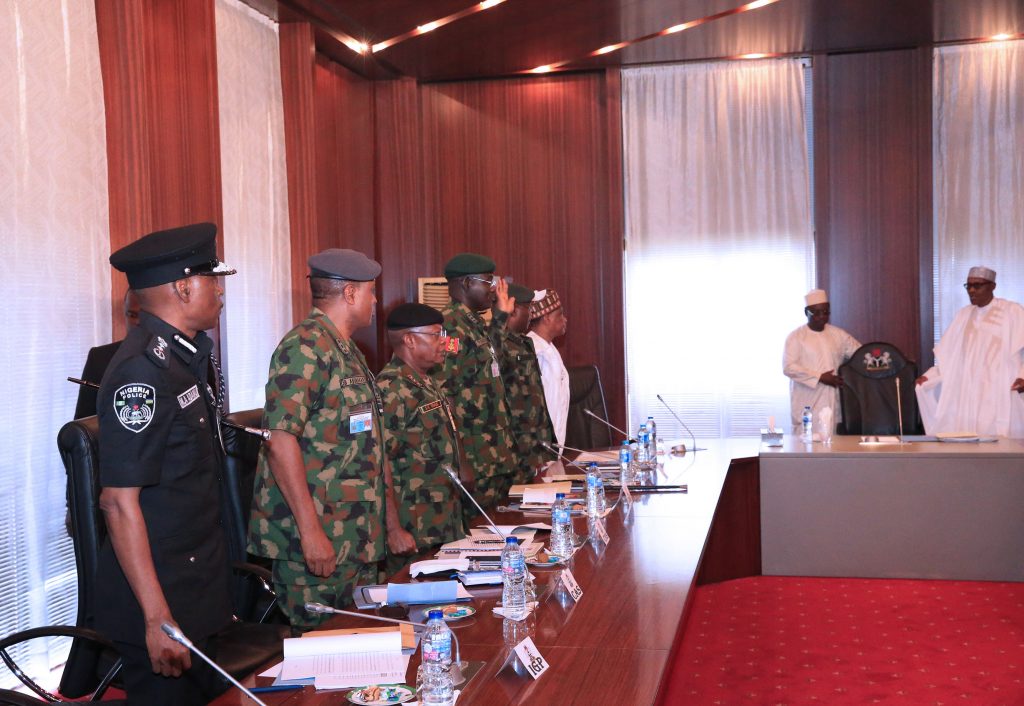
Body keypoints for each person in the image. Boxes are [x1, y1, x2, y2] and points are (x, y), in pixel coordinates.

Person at [95, 223, 236, 705]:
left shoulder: (184, 359)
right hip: (162, 601)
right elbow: (117, 503)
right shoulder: (142, 372)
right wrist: (158, 618)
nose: (220, 292)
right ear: (183, 287)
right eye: (212, 280)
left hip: (195, 588)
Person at [248, 249, 414, 629]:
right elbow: (279, 440)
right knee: (322, 651)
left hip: (356, 537)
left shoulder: (346, 350)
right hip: (320, 540)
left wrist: (388, 525)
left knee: (361, 643)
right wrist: (310, 533)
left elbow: (367, 443)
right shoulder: (304, 348)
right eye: (371, 292)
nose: (376, 301)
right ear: (350, 294)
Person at [377, 303, 467, 576]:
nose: (444, 342)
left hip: (442, 520)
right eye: (436, 335)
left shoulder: (427, 380)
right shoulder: (391, 389)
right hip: (414, 527)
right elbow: (379, 463)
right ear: (409, 340)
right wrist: (394, 529)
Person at [438, 253, 517, 513]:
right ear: (465, 283)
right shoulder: (450, 325)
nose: (493, 289)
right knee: (478, 530)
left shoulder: (473, 322)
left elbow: (498, 366)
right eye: (487, 282)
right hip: (474, 458)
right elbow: (444, 395)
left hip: (493, 456)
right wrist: (461, 461)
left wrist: (500, 318)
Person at [915, 266, 1024, 437]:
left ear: (992, 286)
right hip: (967, 390)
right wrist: (929, 376)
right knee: (968, 437)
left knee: (997, 437)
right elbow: (950, 358)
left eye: (977, 285)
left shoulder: (1012, 311)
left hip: (999, 387)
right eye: (969, 286)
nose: (971, 290)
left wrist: (1023, 376)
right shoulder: (963, 315)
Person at [782, 289, 861, 433]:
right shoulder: (795, 337)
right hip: (807, 401)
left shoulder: (838, 334)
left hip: (832, 401)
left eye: (825, 312)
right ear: (806, 312)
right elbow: (789, 367)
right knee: (807, 443)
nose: (821, 317)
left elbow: (860, 354)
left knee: (833, 441)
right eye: (816, 313)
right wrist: (820, 377)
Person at [499, 283, 556, 482]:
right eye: (528, 308)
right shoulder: (498, 345)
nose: (532, 314)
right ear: (513, 310)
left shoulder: (524, 342)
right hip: (515, 449)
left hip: (534, 446)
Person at [74, 289, 141, 418]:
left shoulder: (177, 357)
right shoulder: (100, 358)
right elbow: (82, 422)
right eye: (132, 315)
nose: (138, 322)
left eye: (146, 316)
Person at [528, 289, 570, 447]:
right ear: (546, 318)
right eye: (560, 315)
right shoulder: (533, 351)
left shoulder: (549, 348)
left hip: (553, 444)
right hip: (540, 446)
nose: (565, 319)